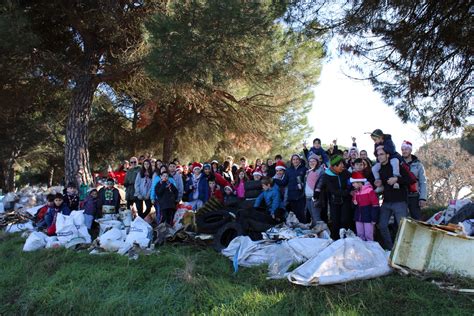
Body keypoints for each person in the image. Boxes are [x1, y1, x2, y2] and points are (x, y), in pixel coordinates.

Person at [376, 147, 411, 249]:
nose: (380, 157)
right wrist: (378, 183)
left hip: (400, 201)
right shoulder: (379, 168)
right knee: (382, 225)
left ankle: (403, 249)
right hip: (386, 202)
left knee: (403, 227)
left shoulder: (397, 166)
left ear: (387, 155)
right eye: (378, 155)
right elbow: (380, 185)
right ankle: (390, 248)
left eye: (382, 154)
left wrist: (397, 179)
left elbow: (410, 180)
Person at [314, 155, 353, 240]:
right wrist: (348, 192)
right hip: (334, 201)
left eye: (343, 165)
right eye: (340, 165)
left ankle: (345, 239)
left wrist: (350, 188)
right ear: (334, 166)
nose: (343, 167)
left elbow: (352, 181)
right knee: (335, 221)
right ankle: (335, 240)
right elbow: (333, 190)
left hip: (345, 201)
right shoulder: (327, 175)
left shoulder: (345, 172)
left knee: (345, 220)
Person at [276, 154, 308, 223]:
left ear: (299, 160)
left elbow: (307, 182)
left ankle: (304, 230)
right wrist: (274, 180)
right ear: (291, 161)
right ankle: (296, 231)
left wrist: (303, 185)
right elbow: (284, 182)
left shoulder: (304, 169)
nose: (295, 161)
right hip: (291, 196)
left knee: (302, 215)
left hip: (301, 196)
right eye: (294, 159)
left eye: (297, 159)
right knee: (294, 215)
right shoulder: (288, 170)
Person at [401, 140, 427, 220]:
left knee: (417, 220)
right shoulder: (398, 163)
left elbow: (423, 182)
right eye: (402, 149)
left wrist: (423, 198)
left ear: (410, 150)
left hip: (414, 196)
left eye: (406, 149)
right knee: (399, 221)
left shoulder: (418, 165)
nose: (404, 151)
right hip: (401, 196)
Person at [350, 172, 380, 241]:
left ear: (359, 182)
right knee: (360, 235)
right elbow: (353, 206)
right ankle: (362, 250)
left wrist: (374, 218)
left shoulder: (369, 190)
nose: (353, 185)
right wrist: (354, 202)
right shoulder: (356, 192)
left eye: (354, 183)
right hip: (358, 217)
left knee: (368, 235)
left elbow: (375, 205)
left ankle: (371, 249)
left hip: (368, 217)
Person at [304, 154, 325, 224]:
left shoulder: (321, 171)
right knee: (312, 217)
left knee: (316, 217)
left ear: (317, 162)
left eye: (314, 161)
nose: (311, 163)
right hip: (307, 197)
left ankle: (322, 233)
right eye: (310, 161)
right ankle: (315, 233)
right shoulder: (308, 171)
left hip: (315, 197)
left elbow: (321, 182)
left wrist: (317, 191)